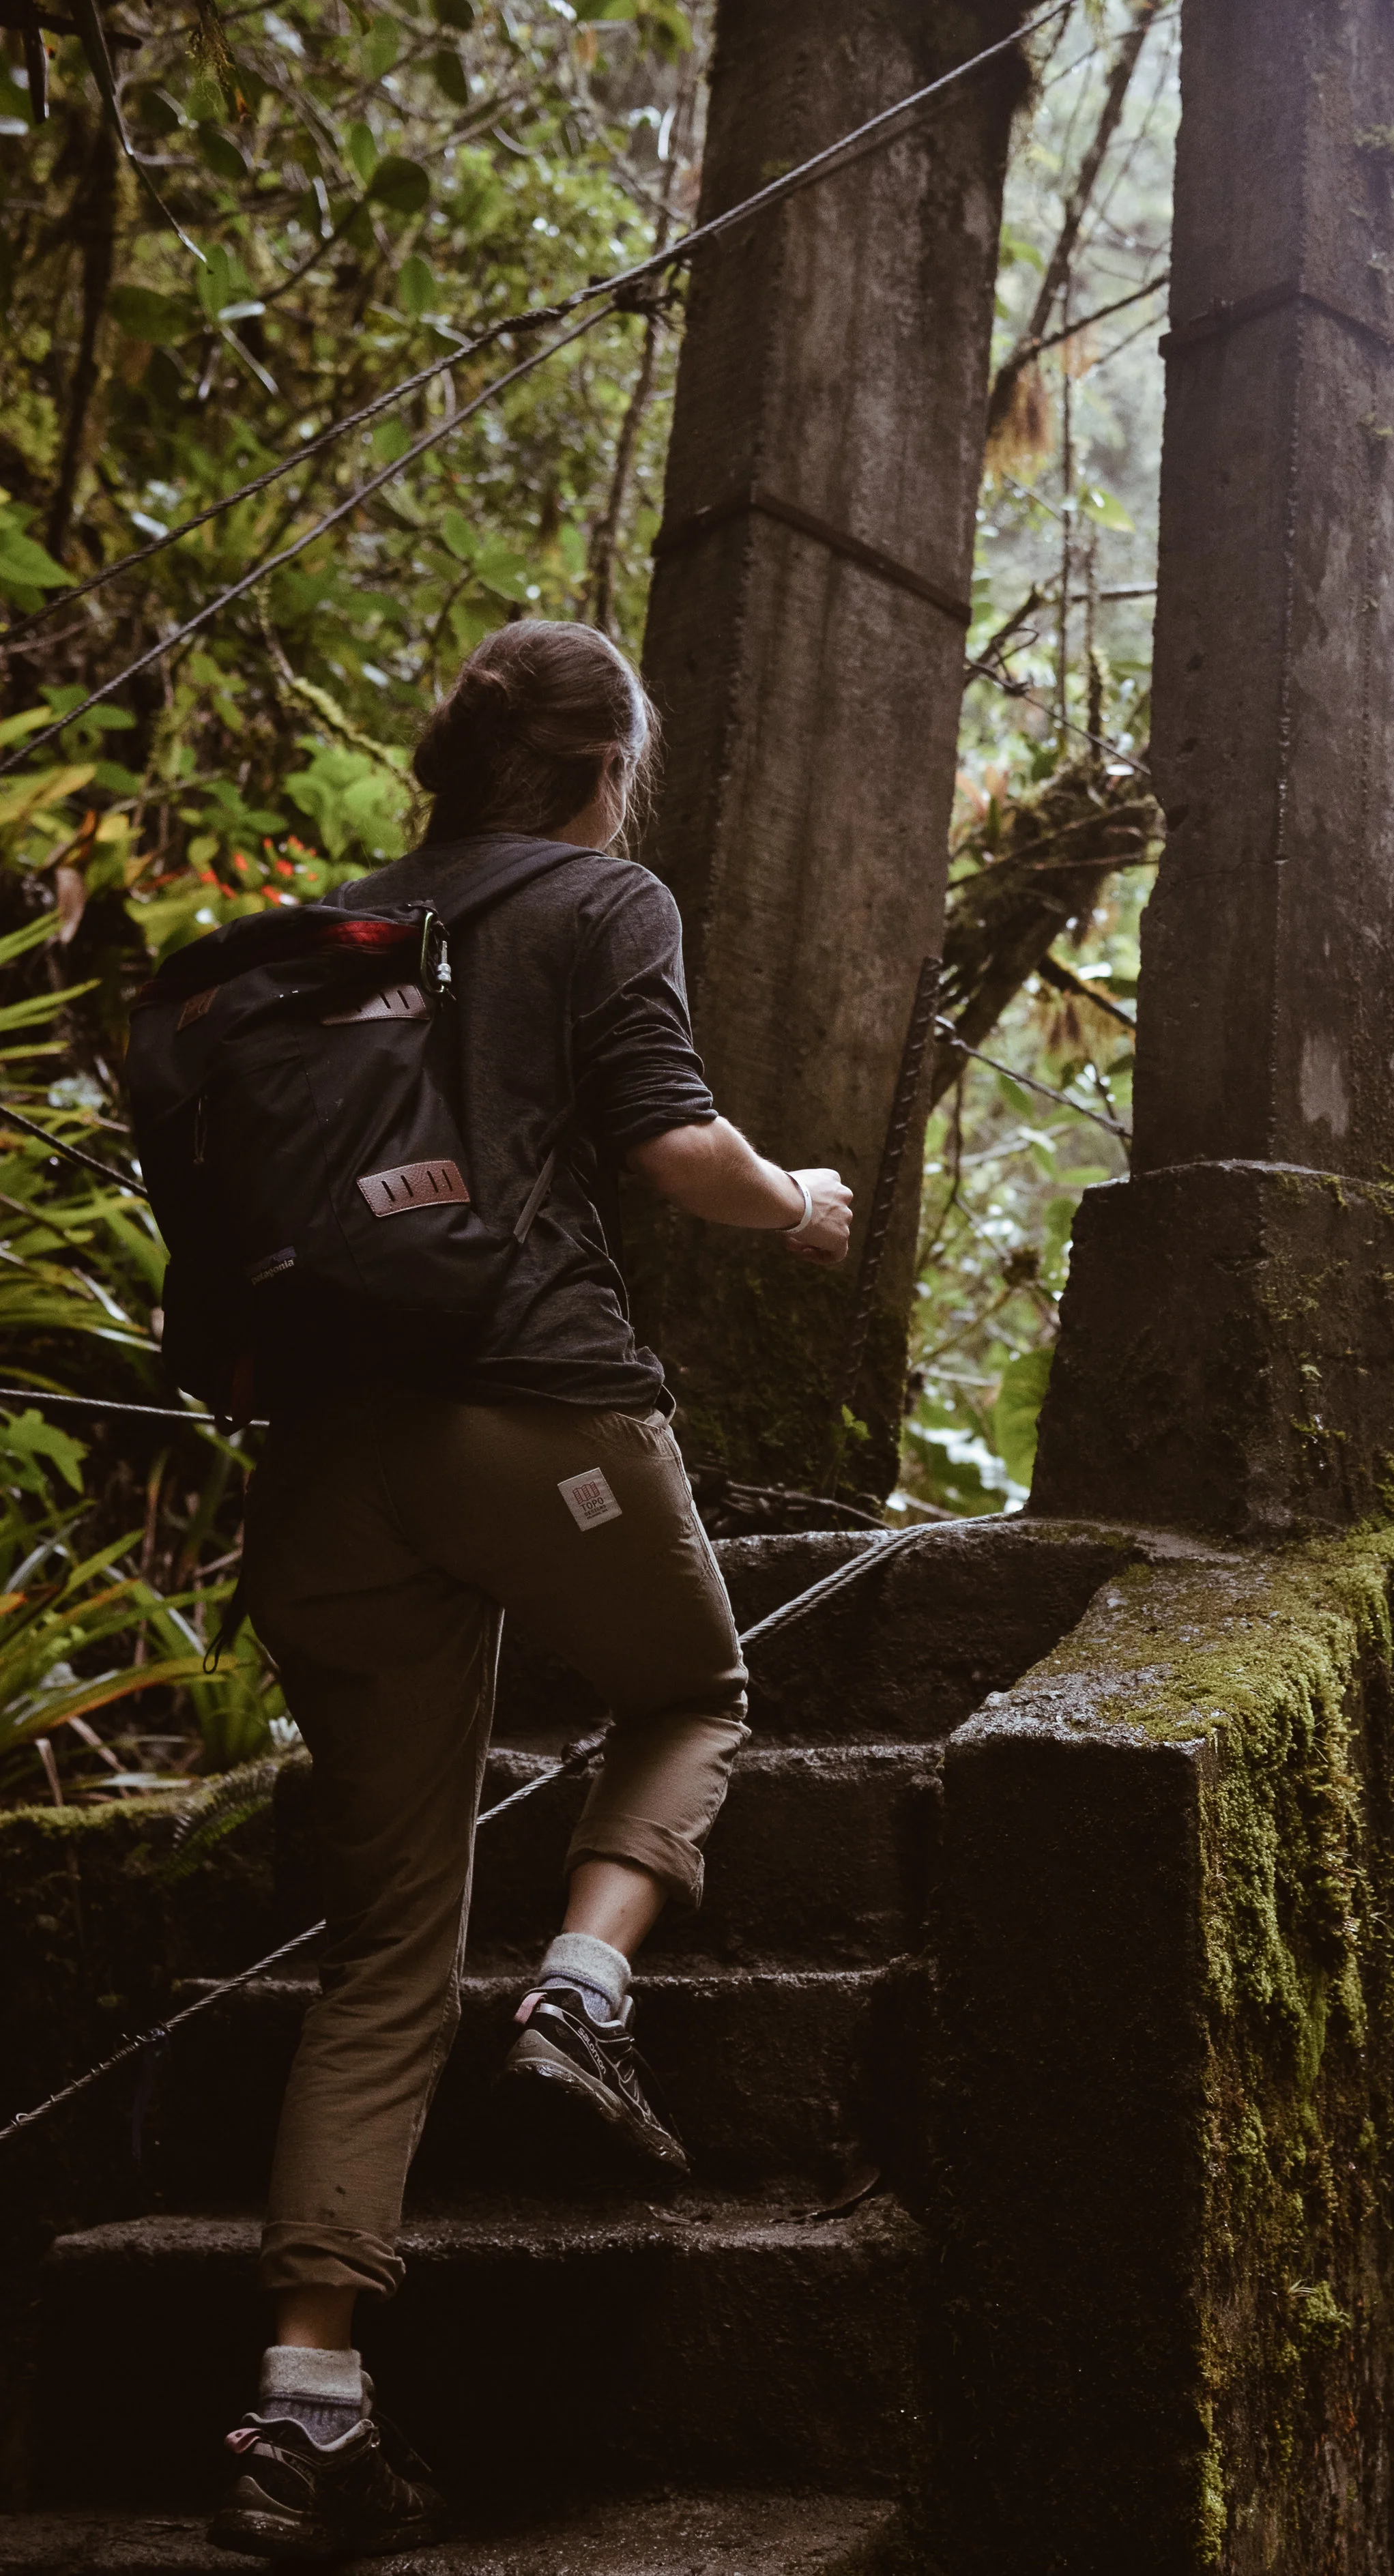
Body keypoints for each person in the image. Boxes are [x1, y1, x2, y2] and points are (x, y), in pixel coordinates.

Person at [209, 620, 854, 2561]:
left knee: (387, 1940)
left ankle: (306, 2402)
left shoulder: (329, 931)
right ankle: (584, 1987)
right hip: (533, 1413)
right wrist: (804, 1202)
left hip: (321, 1464)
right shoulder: (601, 896)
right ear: (606, 764)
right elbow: (670, 1140)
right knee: (692, 1690)